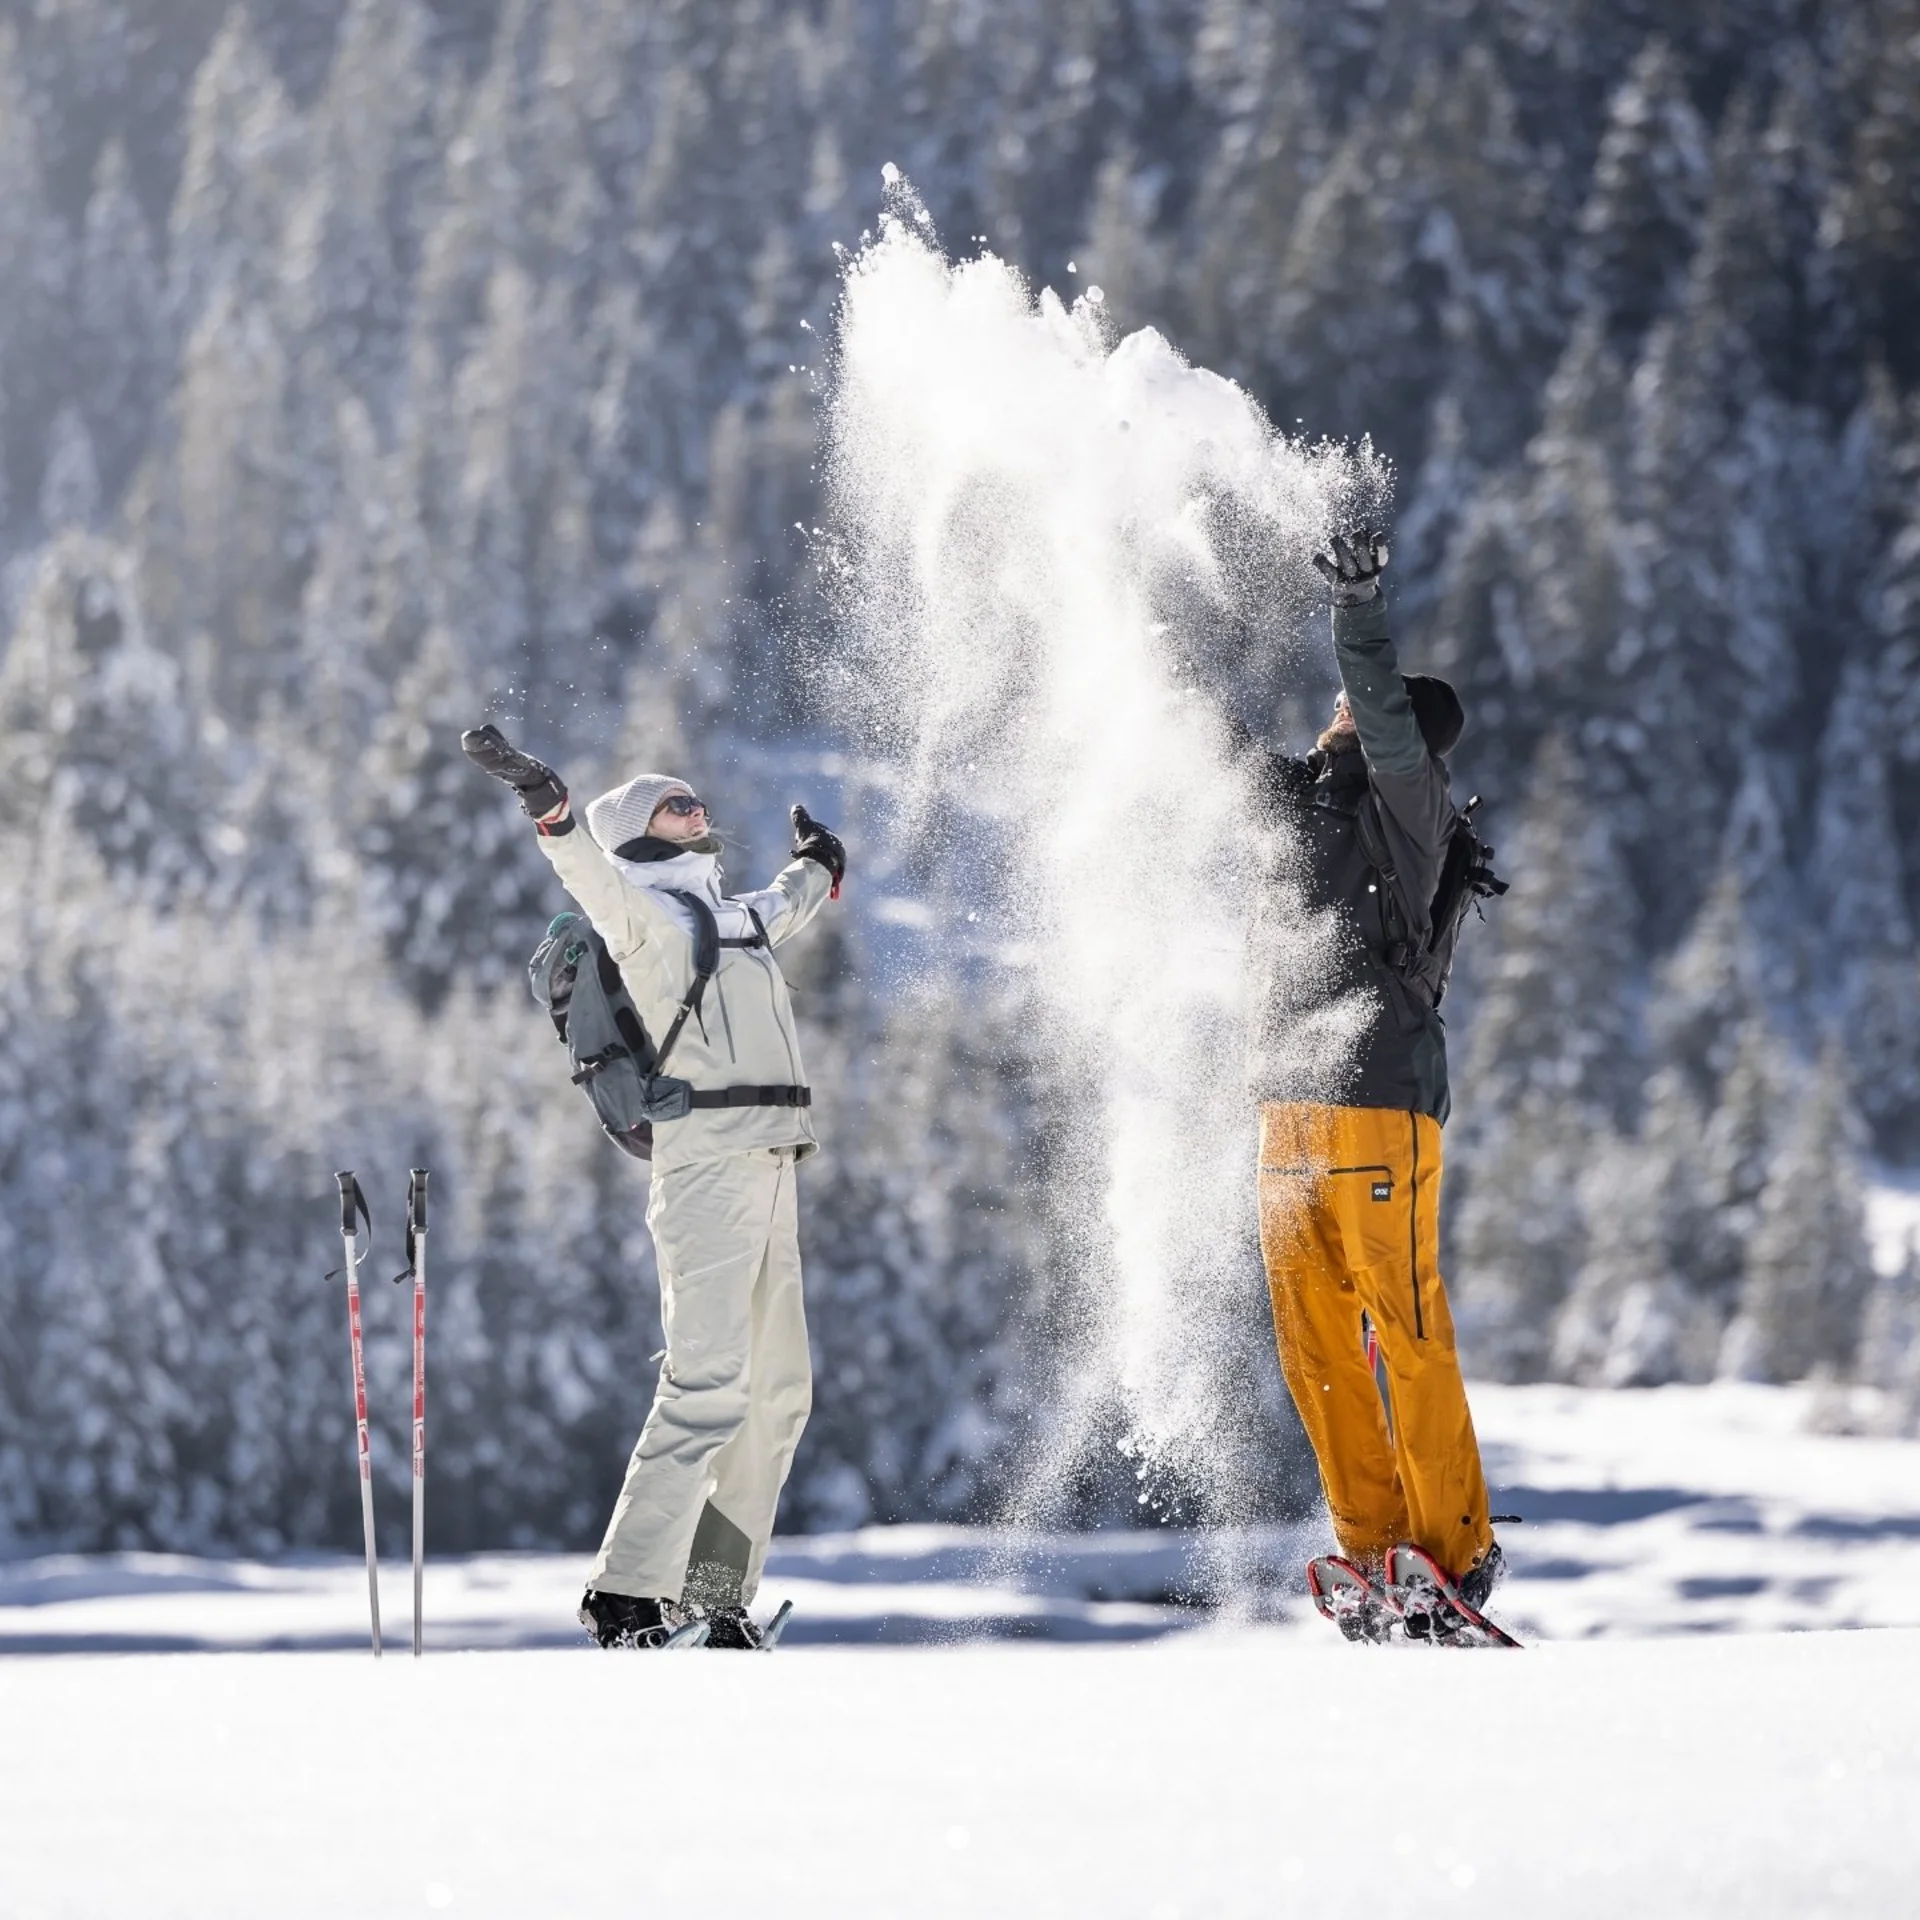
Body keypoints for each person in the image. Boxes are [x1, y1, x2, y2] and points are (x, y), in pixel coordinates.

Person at [462, 724, 845, 1649]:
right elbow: (582, 874)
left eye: (695, 798)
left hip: (775, 1160)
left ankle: (715, 1596)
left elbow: (794, 902)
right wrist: (549, 807)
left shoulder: (737, 917)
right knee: (708, 1383)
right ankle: (626, 1593)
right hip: (706, 1165)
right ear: (638, 827)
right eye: (675, 803)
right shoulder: (640, 918)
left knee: (780, 1392)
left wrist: (820, 862)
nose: (697, 806)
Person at [1249, 528, 1502, 1640]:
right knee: (1313, 1343)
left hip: (1378, 1098)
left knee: (1402, 1324)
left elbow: (1384, 715)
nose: (1341, 710)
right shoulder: (1310, 806)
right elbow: (1194, 761)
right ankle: (1375, 1545)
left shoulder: (1411, 805)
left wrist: (1358, 610)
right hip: (1288, 1109)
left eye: (1361, 703)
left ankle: (1453, 1550)